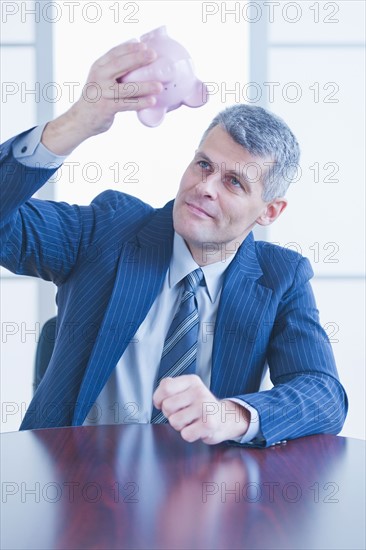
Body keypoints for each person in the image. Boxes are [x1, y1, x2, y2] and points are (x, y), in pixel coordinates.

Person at [0, 40, 347, 447]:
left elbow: (324, 395)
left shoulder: (280, 277)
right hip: (73, 488)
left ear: (269, 212)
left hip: (201, 495)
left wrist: (229, 414)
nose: (204, 188)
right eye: (203, 164)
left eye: (233, 182)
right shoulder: (108, 229)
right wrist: (79, 122)